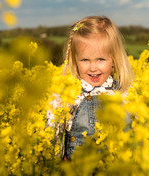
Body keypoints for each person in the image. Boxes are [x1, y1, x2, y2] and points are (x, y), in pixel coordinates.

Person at [46, 15, 133, 160]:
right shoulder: (66, 96)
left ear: (113, 59)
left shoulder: (125, 93)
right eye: (85, 60)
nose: (93, 68)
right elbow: (53, 140)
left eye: (101, 59)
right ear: (75, 60)